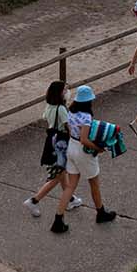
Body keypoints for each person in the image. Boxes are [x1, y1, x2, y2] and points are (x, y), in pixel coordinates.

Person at [51, 85, 118, 233]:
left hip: (71, 149)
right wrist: (98, 148)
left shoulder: (70, 112)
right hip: (82, 152)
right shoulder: (86, 117)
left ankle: (58, 218)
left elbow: (72, 133)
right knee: (94, 183)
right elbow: (84, 140)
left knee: (70, 186)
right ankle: (100, 212)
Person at [24, 80, 86, 216]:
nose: (67, 92)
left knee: (61, 173)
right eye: (65, 90)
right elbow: (68, 127)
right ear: (59, 93)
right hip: (61, 145)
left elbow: (47, 119)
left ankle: (70, 199)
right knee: (56, 177)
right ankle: (34, 201)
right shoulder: (62, 109)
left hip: (51, 141)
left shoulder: (49, 107)